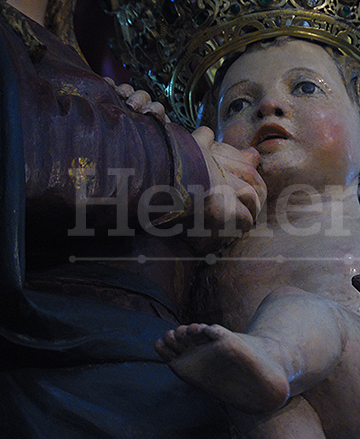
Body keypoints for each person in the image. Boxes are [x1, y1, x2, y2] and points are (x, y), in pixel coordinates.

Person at [156, 37, 360, 439]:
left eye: (305, 87)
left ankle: (276, 355)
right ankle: (264, 369)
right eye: (237, 104)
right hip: (250, 402)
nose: (268, 106)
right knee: (268, 411)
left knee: (299, 311)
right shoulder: (216, 242)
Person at [0, 0, 266, 436]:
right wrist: (185, 163)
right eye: (236, 104)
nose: (269, 109)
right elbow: (26, 140)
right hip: (70, 362)